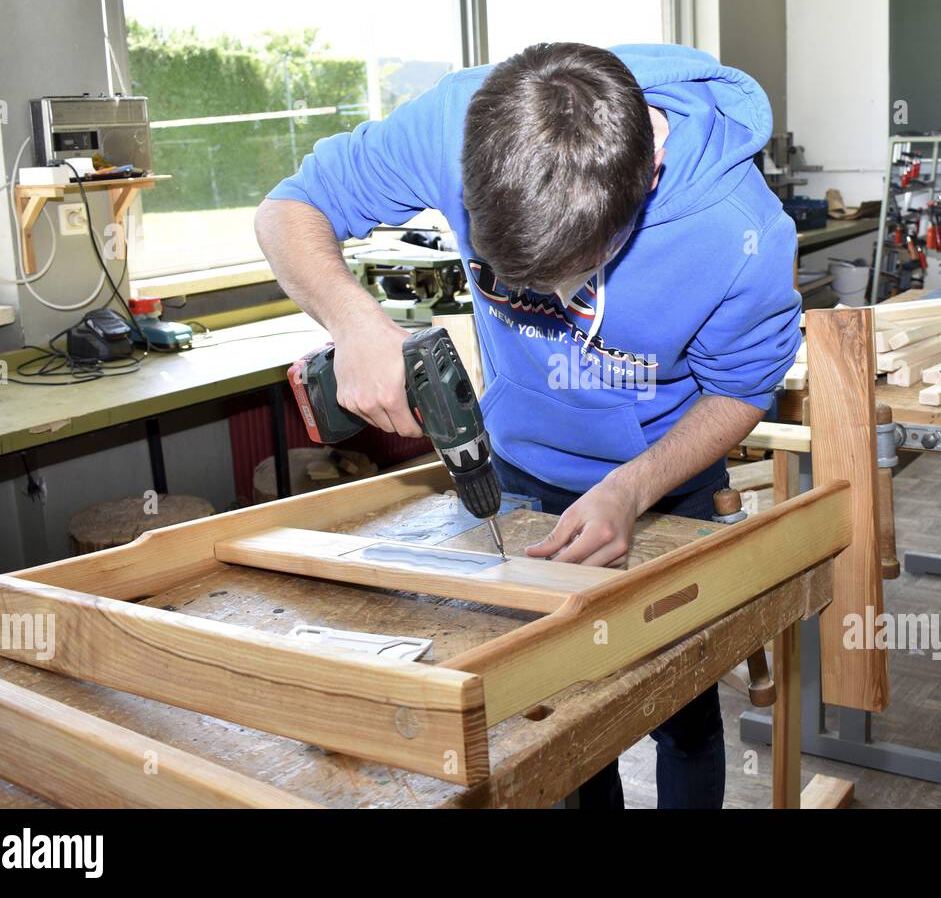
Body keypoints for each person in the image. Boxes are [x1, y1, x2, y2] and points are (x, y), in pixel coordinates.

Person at [256, 42, 800, 808]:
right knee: (560, 705)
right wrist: (356, 323)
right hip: (515, 472)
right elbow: (287, 207)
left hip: (660, 479)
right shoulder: (458, 116)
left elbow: (743, 390)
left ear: (646, 183)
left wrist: (633, 488)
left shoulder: (740, 232)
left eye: (562, 273)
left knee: (679, 706)